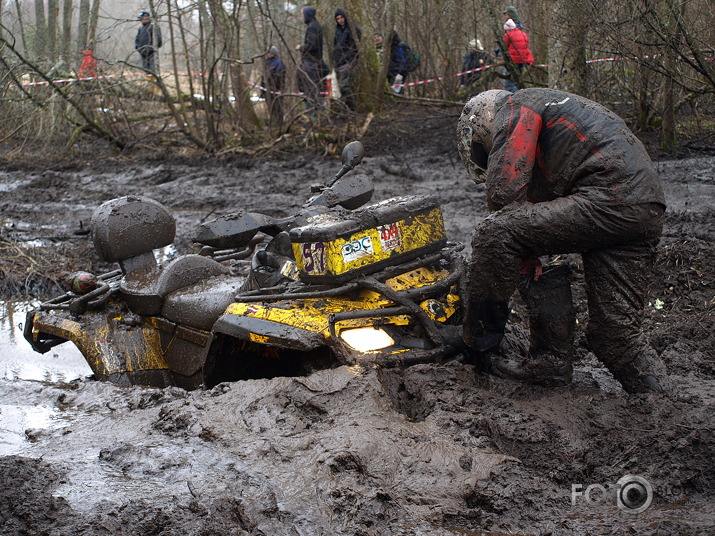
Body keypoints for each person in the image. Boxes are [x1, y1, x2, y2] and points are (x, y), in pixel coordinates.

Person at [456, 89, 670, 394]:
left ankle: (478, 347)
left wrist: (517, 244)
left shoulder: (517, 105)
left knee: (494, 231)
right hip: (643, 207)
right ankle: (665, 407)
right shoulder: (558, 114)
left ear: (482, 123)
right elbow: (532, 213)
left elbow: (504, 193)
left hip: (609, 196)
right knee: (615, 335)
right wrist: (526, 252)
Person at [296, 6, 324, 117]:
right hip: (312, 62)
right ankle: (314, 114)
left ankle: (314, 115)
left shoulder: (313, 27)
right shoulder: (314, 26)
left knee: (311, 89)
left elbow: (311, 45)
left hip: (311, 63)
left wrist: (300, 47)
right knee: (310, 88)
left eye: (302, 14)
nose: (302, 17)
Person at [332, 8, 361, 111]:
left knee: (344, 87)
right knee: (340, 88)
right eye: (338, 18)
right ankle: (345, 110)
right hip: (339, 62)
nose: (340, 20)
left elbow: (355, 47)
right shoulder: (338, 30)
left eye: (342, 17)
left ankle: (351, 109)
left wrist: (352, 61)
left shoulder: (353, 29)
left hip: (349, 62)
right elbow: (336, 46)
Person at [502, 18, 533, 92]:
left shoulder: (508, 35)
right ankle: (520, 94)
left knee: (509, 82)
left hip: (513, 60)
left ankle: (513, 96)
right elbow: (526, 47)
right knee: (518, 79)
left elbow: (504, 46)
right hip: (522, 60)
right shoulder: (523, 34)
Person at [262, 46, 286, 127]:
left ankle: (279, 123)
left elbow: (280, 76)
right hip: (267, 89)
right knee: (271, 107)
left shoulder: (278, 62)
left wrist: (277, 88)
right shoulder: (266, 62)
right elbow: (263, 76)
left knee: (277, 107)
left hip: (276, 89)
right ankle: (273, 122)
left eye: (269, 53)